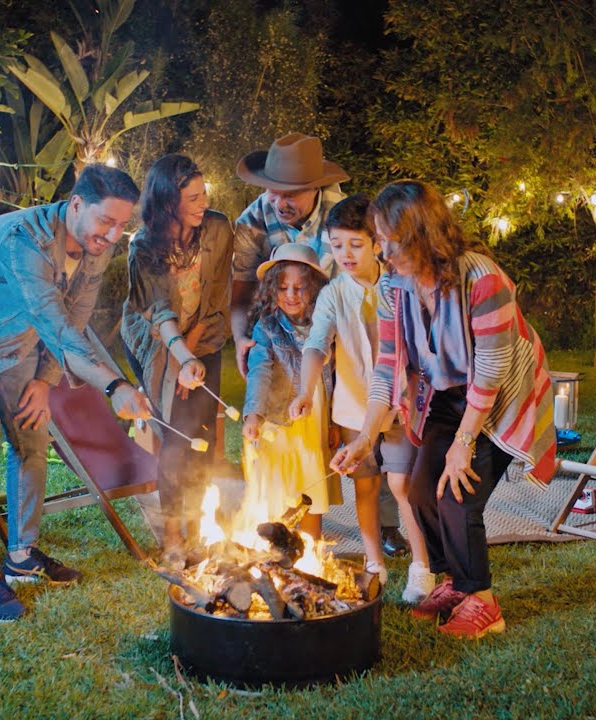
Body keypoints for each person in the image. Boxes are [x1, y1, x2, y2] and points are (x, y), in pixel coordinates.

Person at [0, 164, 153, 623]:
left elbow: (76, 315)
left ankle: (21, 556)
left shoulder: (95, 245)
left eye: (122, 225)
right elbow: (56, 324)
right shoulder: (23, 241)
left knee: (31, 434)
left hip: (16, 328)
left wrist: (45, 380)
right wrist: (115, 385)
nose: (113, 235)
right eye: (106, 221)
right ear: (76, 204)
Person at [331, 180, 557, 639]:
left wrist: (463, 443)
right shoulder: (395, 284)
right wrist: (366, 437)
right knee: (419, 492)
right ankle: (455, 583)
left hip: (500, 397)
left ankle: (484, 603)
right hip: (448, 394)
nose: (384, 252)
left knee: (457, 492)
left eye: (392, 240)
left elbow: (491, 369)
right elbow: (389, 364)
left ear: (424, 234)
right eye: (380, 239)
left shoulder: (483, 279)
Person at [289, 194, 431, 598]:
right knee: (364, 486)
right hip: (353, 407)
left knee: (403, 485)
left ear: (376, 242)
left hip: (401, 404)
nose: (346, 254)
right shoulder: (333, 294)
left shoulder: (398, 284)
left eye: (355, 244)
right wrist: (305, 390)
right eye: (337, 245)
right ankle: (374, 563)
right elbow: (317, 344)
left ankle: (422, 566)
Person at [121, 154, 233, 557]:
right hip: (154, 341)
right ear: (168, 202)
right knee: (177, 433)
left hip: (204, 334)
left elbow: (216, 294)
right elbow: (160, 314)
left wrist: (193, 353)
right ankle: (172, 534)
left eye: (204, 195)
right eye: (193, 198)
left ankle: (196, 526)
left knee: (203, 432)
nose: (204, 204)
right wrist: (180, 360)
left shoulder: (217, 228)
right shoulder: (143, 246)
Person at [241, 243, 339, 540]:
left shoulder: (326, 323)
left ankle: (311, 546)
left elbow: (335, 376)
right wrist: (253, 414)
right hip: (277, 419)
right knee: (277, 484)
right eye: (283, 288)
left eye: (300, 288)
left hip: (313, 416)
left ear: (315, 288)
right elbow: (259, 371)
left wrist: (333, 422)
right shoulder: (267, 327)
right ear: (272, 289)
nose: (291, 295)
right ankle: (275, 545)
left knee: (311, 482)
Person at [230, 133, 348, 376]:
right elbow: (242, 289)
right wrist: (240, 337)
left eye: (290, 195)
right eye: (273, 192)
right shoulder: (252, 222)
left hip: (341, 337)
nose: (279, 204)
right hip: (280, 342)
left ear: (315, 188)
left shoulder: (345, 220)